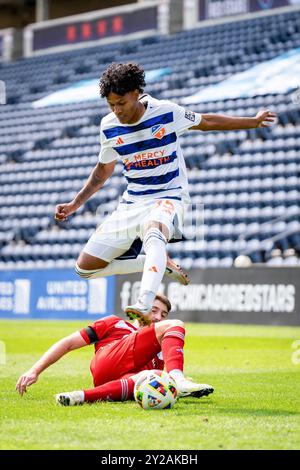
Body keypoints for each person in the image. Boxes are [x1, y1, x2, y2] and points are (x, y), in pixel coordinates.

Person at [54, 62, 276, 325]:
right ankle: (160, 262)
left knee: (154, 230)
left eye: (121, 102)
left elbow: (207, 122)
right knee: (85, 269)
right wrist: (75, 203)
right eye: (111, 104)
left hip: (169, 196)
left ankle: (144, 301)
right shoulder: (109, 126)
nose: (117, 110)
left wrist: (251, 121)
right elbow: (103, 171)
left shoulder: (166, 112)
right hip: (132, 201)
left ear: (136, 93)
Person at [15, 294, 214, 405]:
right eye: (154, 310)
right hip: (108, 359)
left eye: (163, 314)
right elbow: (68, 343)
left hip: (112, 382)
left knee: (152, 376)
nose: (159, 317)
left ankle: (81, 396)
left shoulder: (160, 348)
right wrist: (35, 370)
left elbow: (160, 379)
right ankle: (179, 379)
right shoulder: (115, 323)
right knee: (176, 324)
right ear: (140, 308)